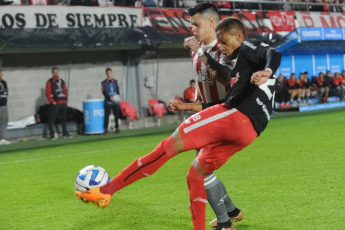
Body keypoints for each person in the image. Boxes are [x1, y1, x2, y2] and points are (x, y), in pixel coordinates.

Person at [75, 17, 281, 230]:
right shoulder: (241, 68)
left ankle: (107, 189)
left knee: (166, 148)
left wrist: (268, 71)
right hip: (249, 131)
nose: (220, 46)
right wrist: (189, 107)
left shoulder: (249, 46)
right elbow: (228, 101)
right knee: (196, 173)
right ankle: (222, 223)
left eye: (222, 41)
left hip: (236, 117)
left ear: (238, 36)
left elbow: (273, 53)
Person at [182, 3, 241, 228]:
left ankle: (225, 224)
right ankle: (232, 212)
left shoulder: (224, 49)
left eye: (196, 24)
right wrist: (188, 107)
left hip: (224, 116)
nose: (193, 29)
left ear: (211, 23)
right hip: (208, 114)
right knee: (203, 170)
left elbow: (225, 79)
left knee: (200, 171)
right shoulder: (197, 52)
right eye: (191, 25)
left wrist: (199, 49)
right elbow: (202, 91)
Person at [45, 67, 71, 139]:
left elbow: (65, 90)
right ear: (52, 73)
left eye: (57, 72)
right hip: (55, 103)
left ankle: (65, 133)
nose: (56, 73)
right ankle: (52, 135)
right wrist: (52, 101)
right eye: (54, 72)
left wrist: (65, 100)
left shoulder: (62, 81)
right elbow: (47, 93)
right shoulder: (50, 81)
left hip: (63, 102)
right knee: (52, 119)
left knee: (64, 119)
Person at [102, 67, 120, 134]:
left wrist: (117, 97)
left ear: (111, 73)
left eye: (110, 72)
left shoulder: (115, 81)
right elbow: (103, 92)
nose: (109, 74)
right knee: (106, 116)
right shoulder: (103, 83)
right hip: (108, 102)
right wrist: (110, 98)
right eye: (108, 73)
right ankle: (105, 129)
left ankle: (117, 128)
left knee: (116, 115)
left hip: (115, 102)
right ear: (106, 74)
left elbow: (118, 90)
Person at [0, 69, 10, 145]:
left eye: (1, 73)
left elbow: (6, 92)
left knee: (4, 121)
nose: (0, 74)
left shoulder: (4, 82)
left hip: (4, 105)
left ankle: (2, 138)